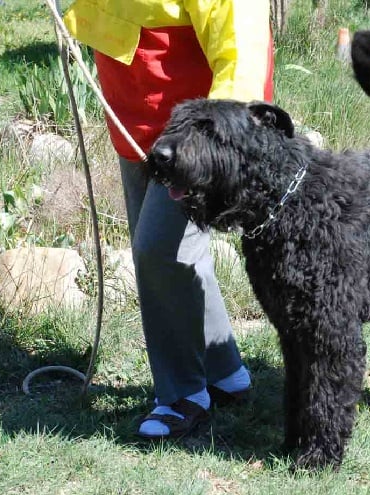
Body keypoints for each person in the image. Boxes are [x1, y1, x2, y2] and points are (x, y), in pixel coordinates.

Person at [63, 0, 275, 438]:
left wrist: (221, 137)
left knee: (159, 249)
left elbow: (243, 42)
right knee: (173, 253)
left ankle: (182, 396)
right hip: (134, 107)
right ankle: (223, 372)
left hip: (196, 132)